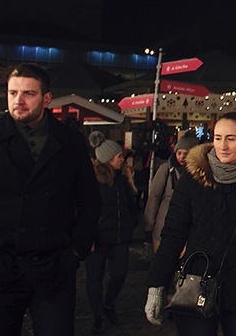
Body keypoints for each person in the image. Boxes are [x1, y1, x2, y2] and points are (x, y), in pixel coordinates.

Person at [144, 112, 236, 336]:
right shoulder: (192, 181)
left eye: (231, 138)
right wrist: (156, 286)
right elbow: (172, 236)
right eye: (218, 137)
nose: (222, 145)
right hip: (196, 284)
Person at [0, 63, 101, 336]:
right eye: (12, 93)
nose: (18, 100)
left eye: (28, 93)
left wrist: (76, 250)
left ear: (46, 99)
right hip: (2, 269)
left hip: (54, 268)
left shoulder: (70, 141)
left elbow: (89, 199)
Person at [86, 131, 138, 333]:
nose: (121, 159)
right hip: (97, 237)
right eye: (118, 156)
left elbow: (129, 202)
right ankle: (98, 316)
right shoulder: (92, 180)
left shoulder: (121, 178)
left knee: (119, 273)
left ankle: (108, 305)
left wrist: (131, 221)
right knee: (94, 277)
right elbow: (85, 208)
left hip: (119, 236)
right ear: (108, 159)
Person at [144, 129, 199, 253]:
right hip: (164, 226)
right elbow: (154, 196)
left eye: (186, 153)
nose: (181, 157)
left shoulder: (199, 173)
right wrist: (149, 225)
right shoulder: (166, 170)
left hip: (188, 229)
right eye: (179, 153)